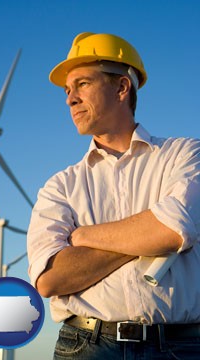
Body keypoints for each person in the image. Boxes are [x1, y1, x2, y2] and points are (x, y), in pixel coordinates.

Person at [27, 32, 200, 359]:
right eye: (67, 90)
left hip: (181, 346)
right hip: (86, 345)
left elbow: (173, 228)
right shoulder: (60, 185)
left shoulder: (186, 154)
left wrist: (83, 237)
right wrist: (146, 236)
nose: (70, 99)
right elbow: (50, 279)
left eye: (82, 84)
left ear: (122, 88)